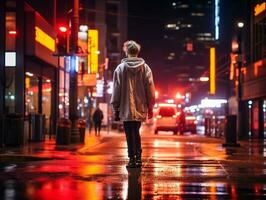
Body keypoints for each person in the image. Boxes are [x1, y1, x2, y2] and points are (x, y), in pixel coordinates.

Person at [111, 40, 155, 168]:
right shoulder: (145, 68)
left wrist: (116, 107)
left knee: (129, 132)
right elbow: (150, 89)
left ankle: (131, 158)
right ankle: (138, 157)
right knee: (136, 130)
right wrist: (150, 107)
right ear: (137, 52)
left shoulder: (120, 69)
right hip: (140, 106)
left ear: (126, 52)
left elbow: (116, 90)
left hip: (125, 107)